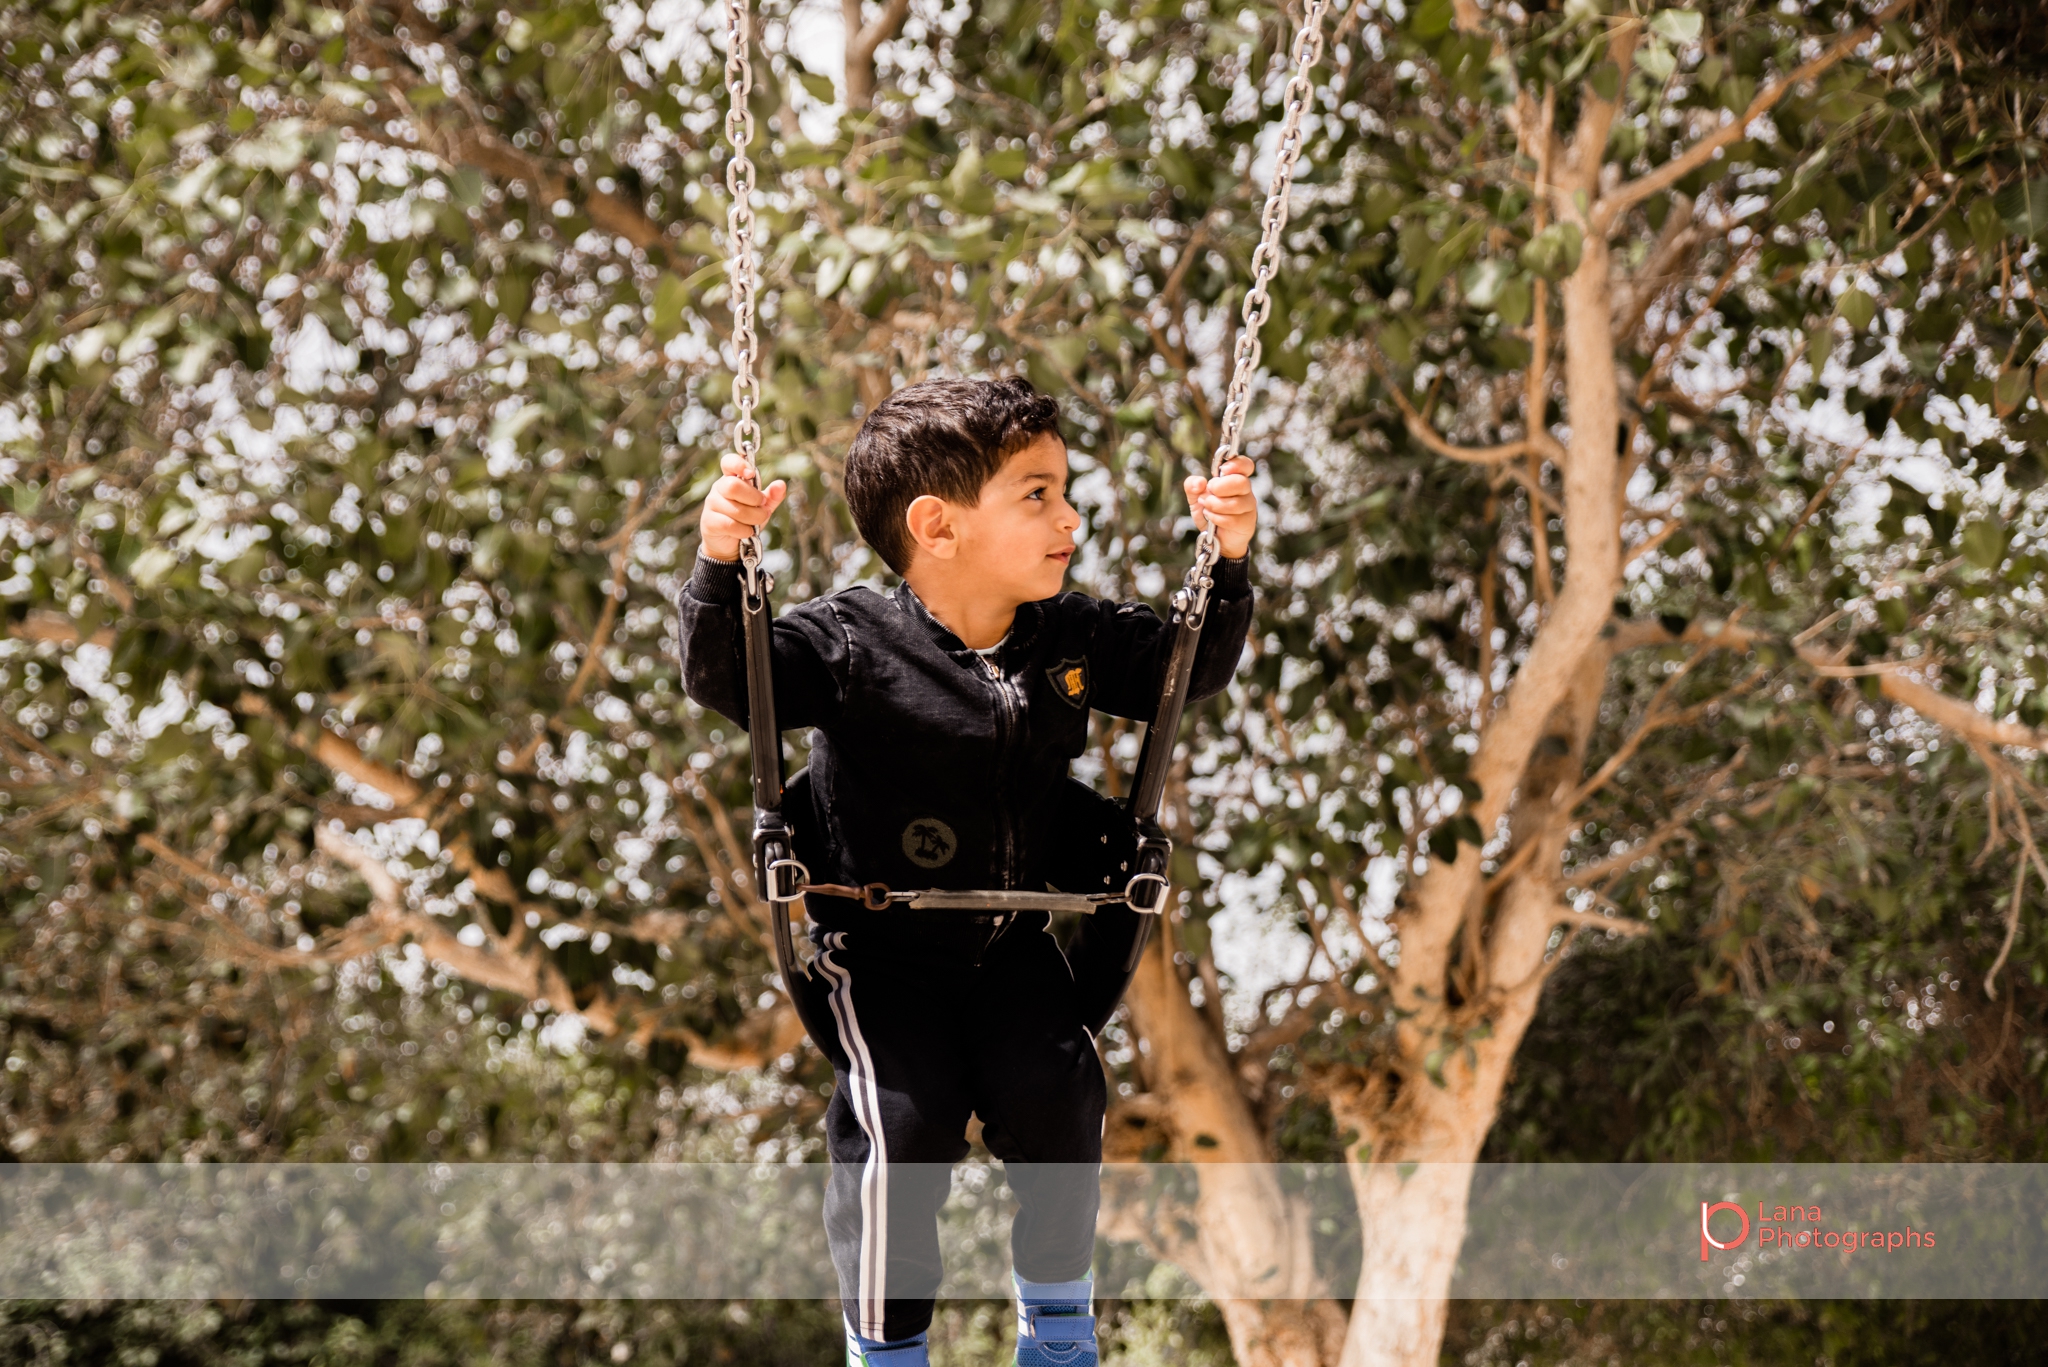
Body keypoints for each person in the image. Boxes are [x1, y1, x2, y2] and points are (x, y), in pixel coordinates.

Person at [677, 377, 1257, 1367]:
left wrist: (1228, 559)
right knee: (901, 1131)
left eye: (1065, 489)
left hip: (1010, 944)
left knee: (1060, 1089)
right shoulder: (849, 640)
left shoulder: (1067, 637)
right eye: (1036, 494)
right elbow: (729, 677)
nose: (1068, 515)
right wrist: (720, 560)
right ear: (935, 526)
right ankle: (888, 1345)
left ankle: (1058, 1327)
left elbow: (1183, 668)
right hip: (877, 949)